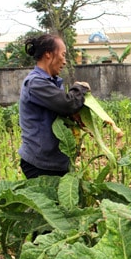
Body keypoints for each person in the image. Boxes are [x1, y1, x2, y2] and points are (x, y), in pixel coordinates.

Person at [18, 33, 91, 179]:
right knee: (48, 202)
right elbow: (67, 104)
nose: (64, 61)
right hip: (40, 165)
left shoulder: (51, 82)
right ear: (48, 54)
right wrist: (79, 87)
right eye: (63, 55)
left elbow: (60, 111)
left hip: (55, 162)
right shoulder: (36, 83)